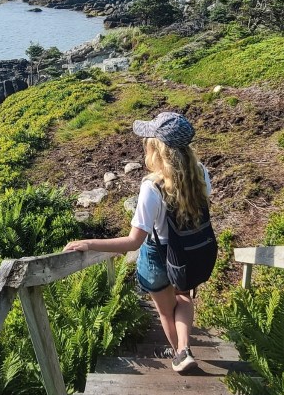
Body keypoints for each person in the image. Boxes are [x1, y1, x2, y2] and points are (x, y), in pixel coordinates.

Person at [63, 111, 212, 373]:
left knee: (166, 311)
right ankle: (184, 349)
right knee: (184, 299)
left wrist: (89, 243)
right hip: (187, 253)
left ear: (157, 149)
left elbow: (133, 242)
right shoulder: (200, 173)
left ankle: (179, 352)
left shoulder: (152, 187)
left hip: (157, 257)